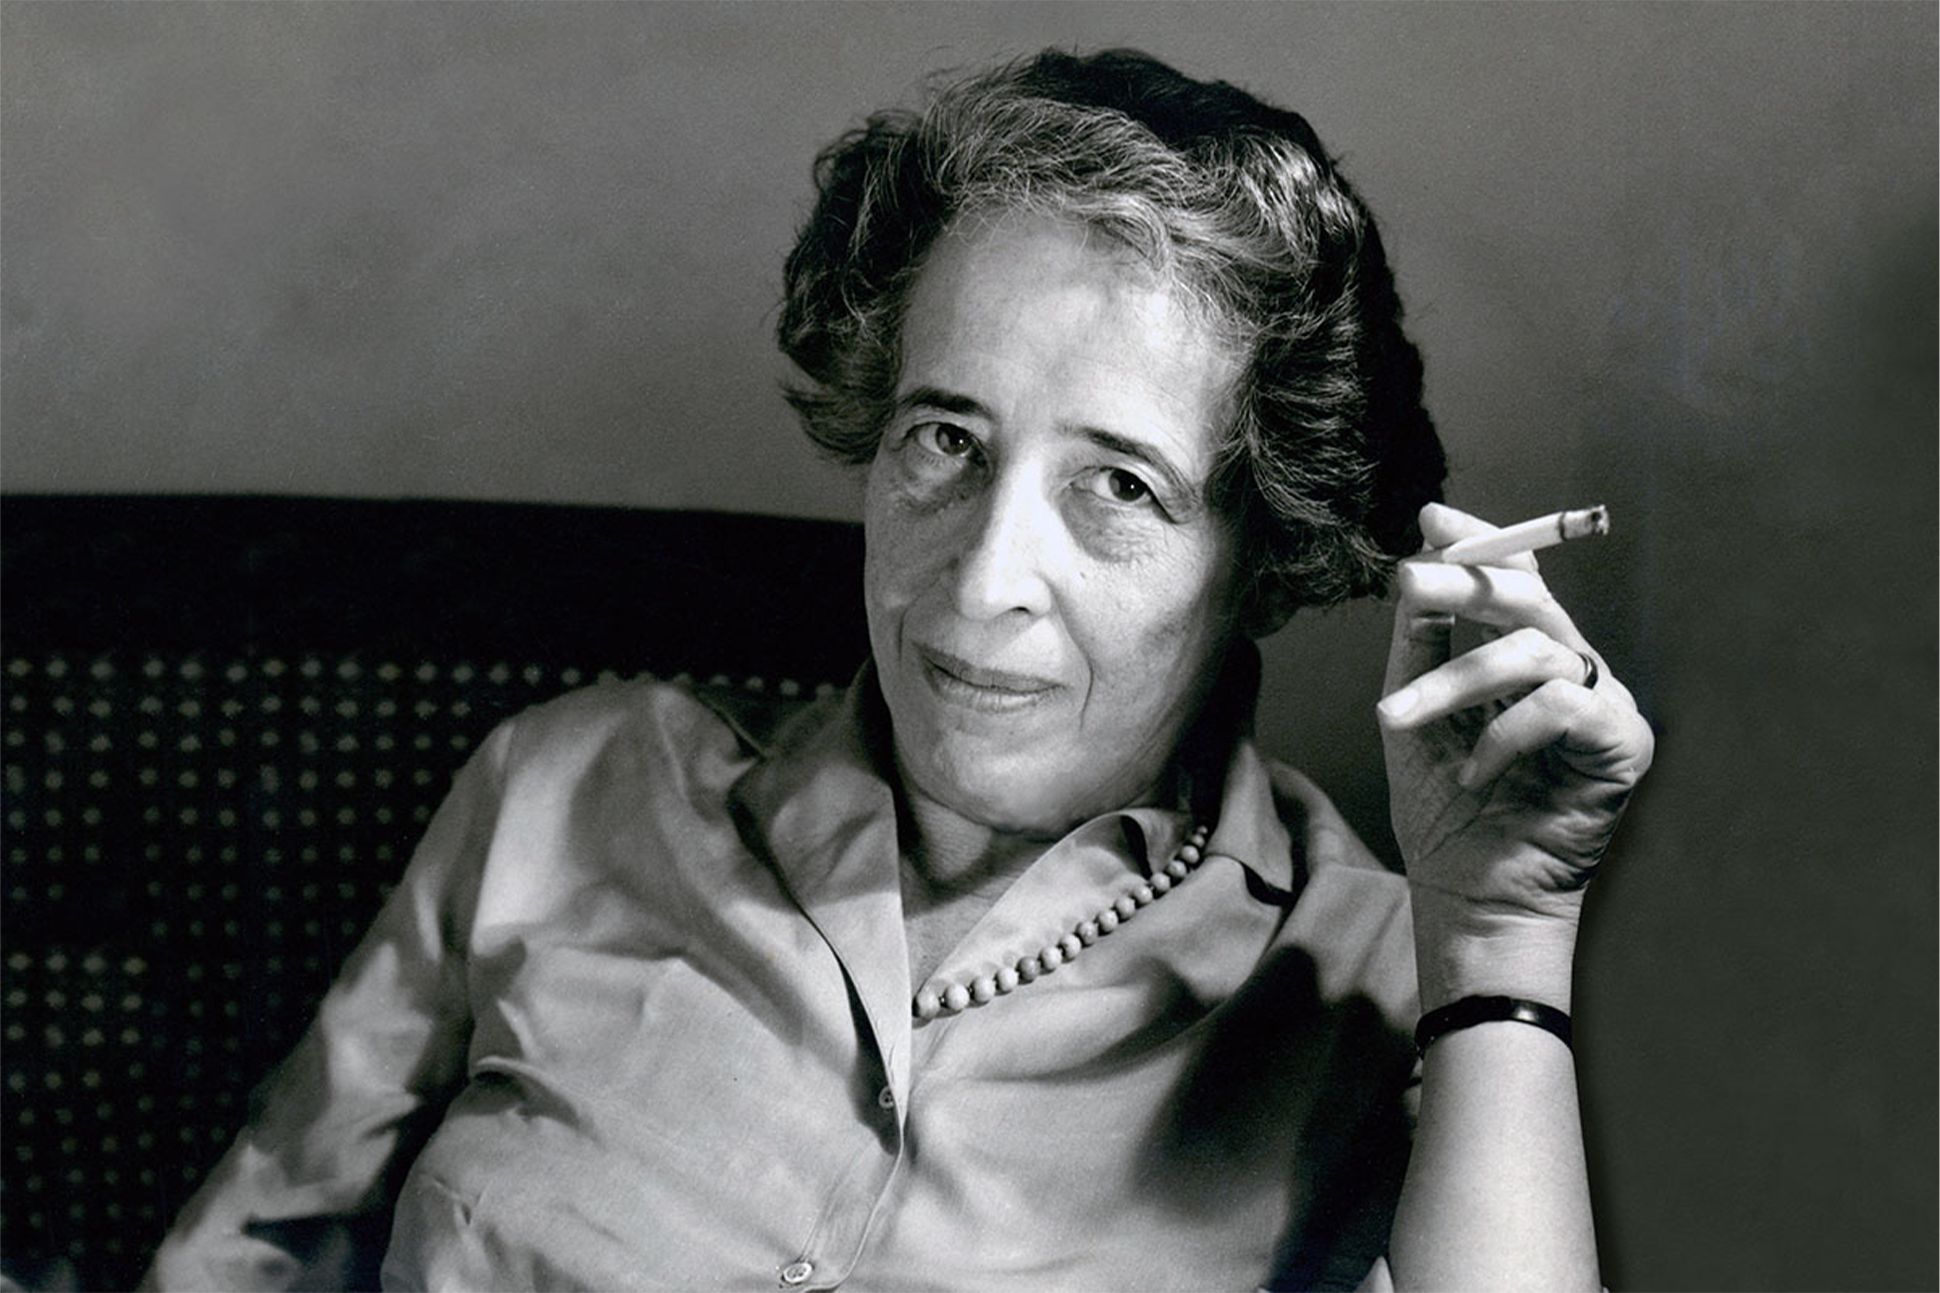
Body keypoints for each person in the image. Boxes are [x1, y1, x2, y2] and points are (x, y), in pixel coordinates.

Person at [144, 48, 1652, 1292]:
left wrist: (1502, 949)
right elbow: (243, 1263)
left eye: (1119, 486)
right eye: (946, 439)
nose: (981, 579)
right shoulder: (568, 787)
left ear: (1259, 551)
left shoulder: (1381, 976)